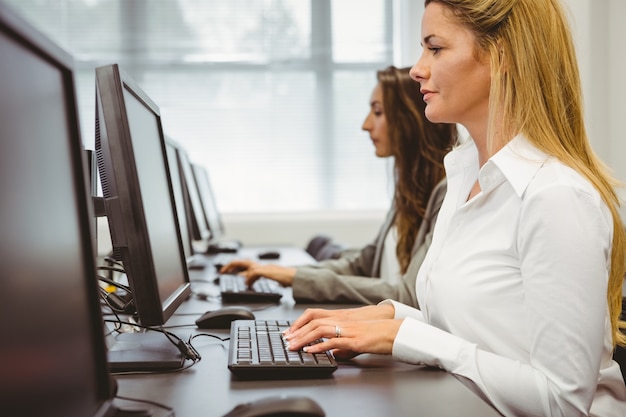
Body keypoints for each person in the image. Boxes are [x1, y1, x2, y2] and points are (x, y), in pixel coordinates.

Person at [283, 1, 626, 416]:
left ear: (502, 56)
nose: (416, 69)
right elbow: (476, 333)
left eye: (435, 48)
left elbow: (563, 402)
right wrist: (383, 317)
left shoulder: (555, 198)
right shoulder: (463, 179)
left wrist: (406, 337)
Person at [220, 65, 458, 305]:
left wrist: (296, 278)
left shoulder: (448, 192)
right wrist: (286, 273)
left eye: (377, 112)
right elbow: (362, 264)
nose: (366, 125)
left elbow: (407, 295)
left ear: (411, 121)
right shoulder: (407, 192)